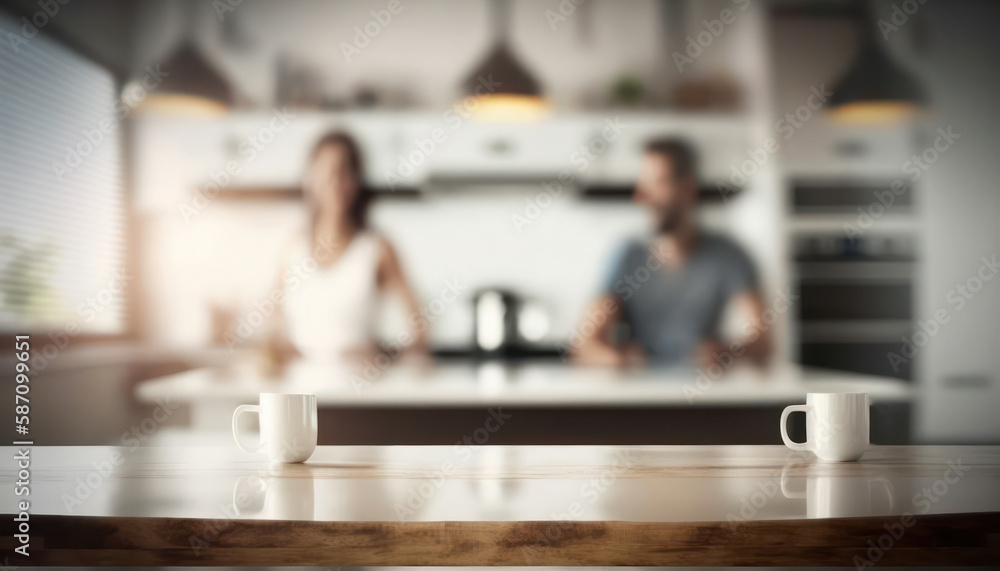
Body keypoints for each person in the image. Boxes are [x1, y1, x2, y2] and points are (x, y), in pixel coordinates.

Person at [572, 138, 770, 369]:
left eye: (658, 183)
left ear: (688, 188)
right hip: (640, 396)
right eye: (643, 185)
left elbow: (764, 343)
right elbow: (584, 345)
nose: (642, 196)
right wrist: (617, 359)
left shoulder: (727, 255)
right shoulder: (627, 257)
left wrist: (727, 352)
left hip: (705, 394)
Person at [275, 131, 427, 363]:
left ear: (356, 180)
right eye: (326, 171)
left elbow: (420, 325)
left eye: (343, 171)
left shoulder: (377, 248)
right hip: (300, 388)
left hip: (358, 391)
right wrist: (280, 346)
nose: (335, 181)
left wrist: (386, 354)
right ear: (310, 178)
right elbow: (273, 317)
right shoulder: (293, 247)